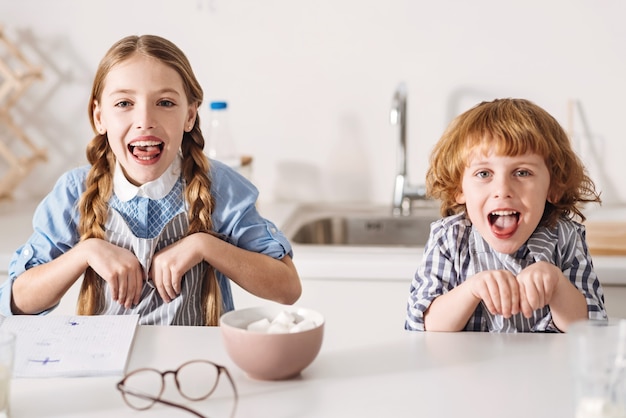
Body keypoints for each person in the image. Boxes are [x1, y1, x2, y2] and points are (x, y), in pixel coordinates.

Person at [0, 34, 301, 326]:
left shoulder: (219, 186)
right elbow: (18, 301)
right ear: (99, 116)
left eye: (166, 102)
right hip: (109, 373)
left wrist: (204, 245)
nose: (145, 120)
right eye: (124, 103)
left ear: (190, 116)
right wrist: (85, 252)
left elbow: (287, 287)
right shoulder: (74, 192)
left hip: (198, 372)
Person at [405, 98, 607, 332]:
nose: (502, 190)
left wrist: (557, 285)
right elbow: (421, 324)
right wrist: (471, 290)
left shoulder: (565, 237)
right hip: (466, 368)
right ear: (460, 189)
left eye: (522, 172)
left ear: (554, 187)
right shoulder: (449, 239)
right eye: (483, 173)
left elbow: (593, 329)